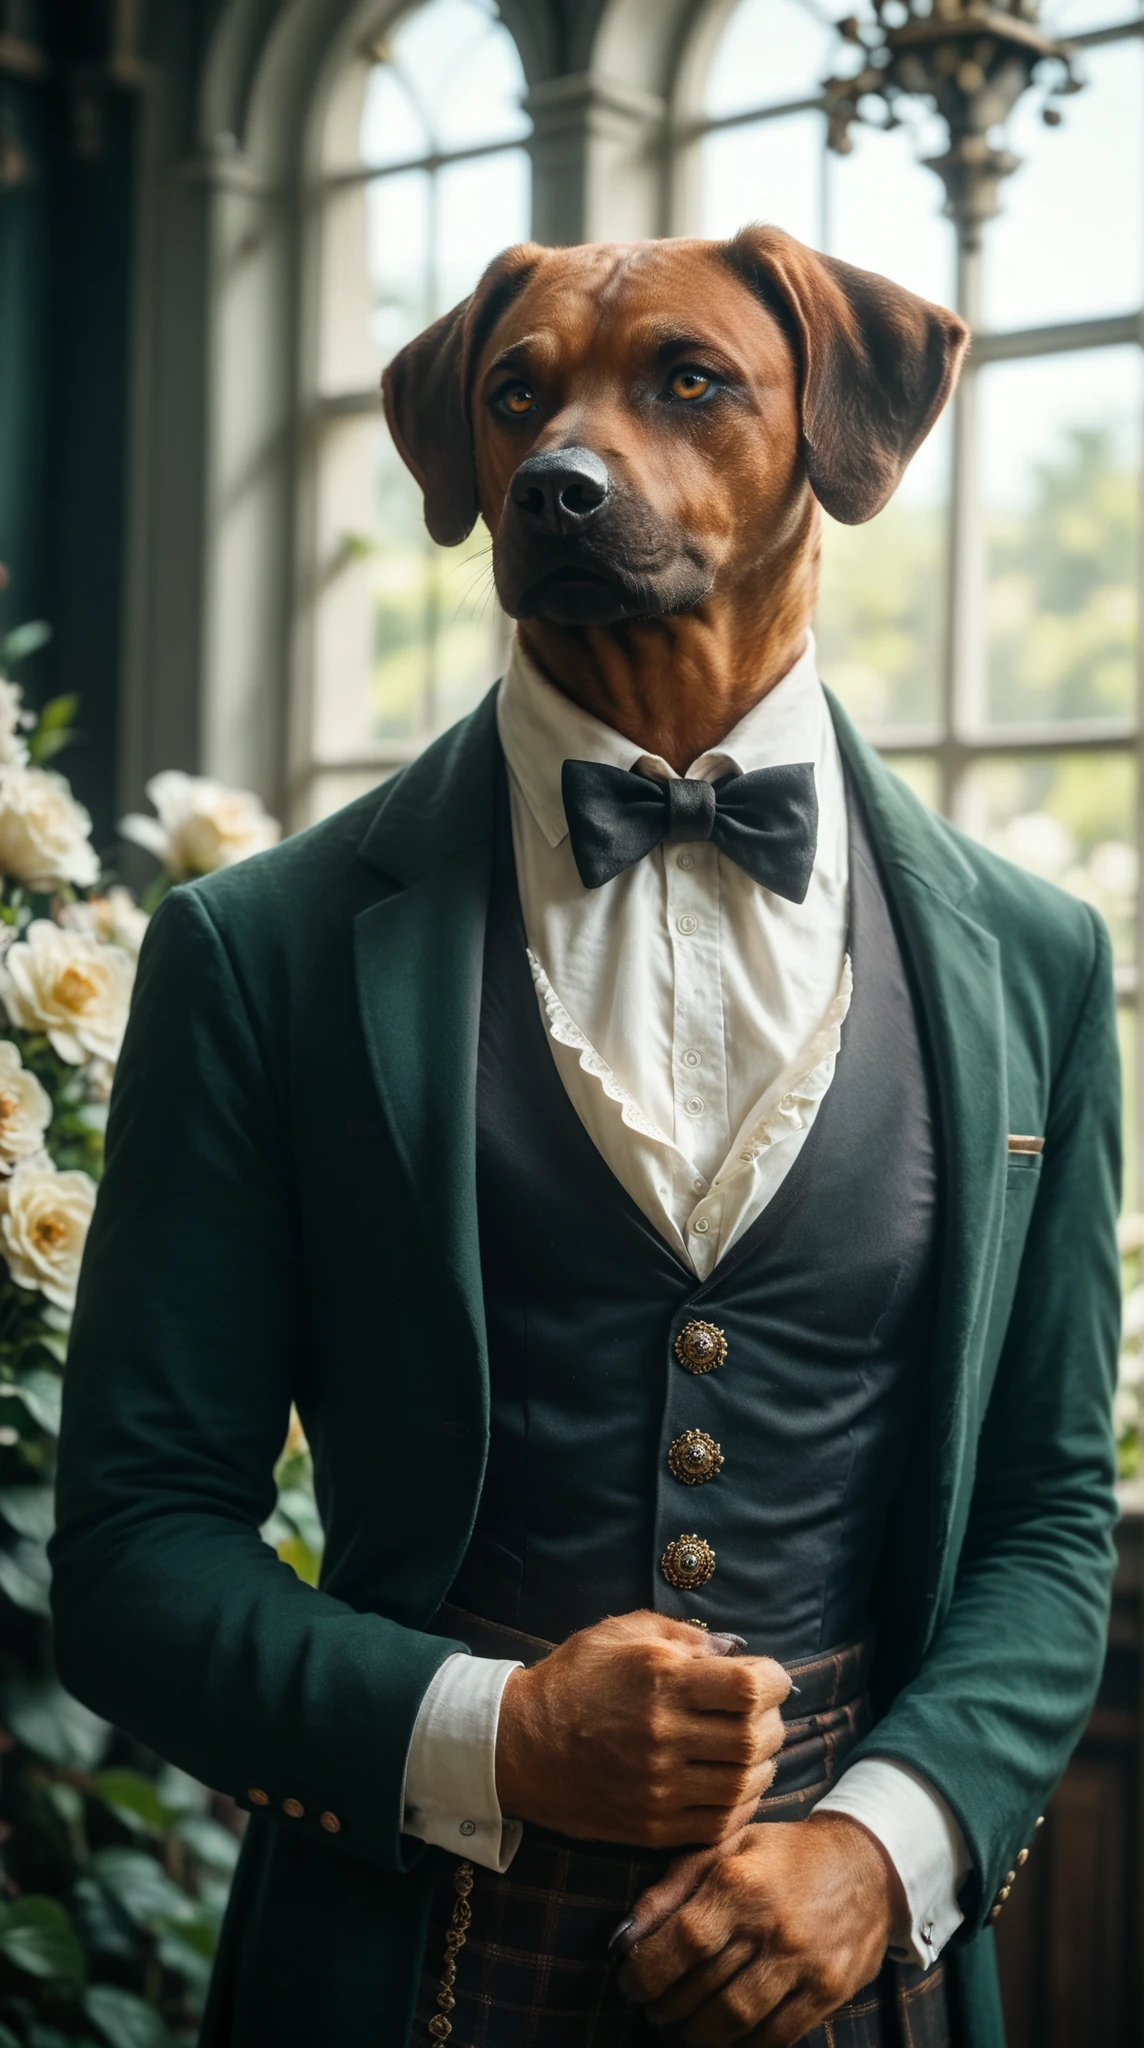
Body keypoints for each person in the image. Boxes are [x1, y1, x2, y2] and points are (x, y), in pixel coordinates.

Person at [51, 230, 1120, 2048]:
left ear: (837, 428)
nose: (573, 450)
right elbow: (138, 1557)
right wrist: (499, 1734)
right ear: (464, 465)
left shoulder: (1035, 960)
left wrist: (882, 1850)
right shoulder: (262, 954)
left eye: (683, 386)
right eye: (522, 399)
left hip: (863, 1983)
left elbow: (1044, 1519)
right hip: (404, 1977)